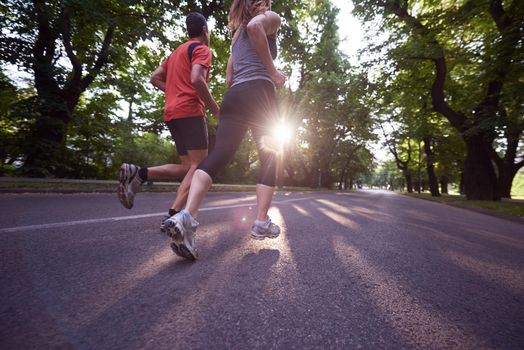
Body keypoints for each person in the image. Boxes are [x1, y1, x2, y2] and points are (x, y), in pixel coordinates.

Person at [164, 0, 287, 260]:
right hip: (259, 93)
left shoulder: (236, 35)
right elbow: (257, 28)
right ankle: (262, 221)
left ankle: (187, 216)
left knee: (218, 154)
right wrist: (273, 72)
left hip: (234, 96)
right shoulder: (270, 18)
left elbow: (230, 76)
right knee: (271, 154)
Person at [117, 12, 219, 230]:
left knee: (187, 167)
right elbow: (196, 79)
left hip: (171, 112)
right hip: (190, 111)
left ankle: (140, 173)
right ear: (204, 31)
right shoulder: (201, 49)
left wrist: (174, 92)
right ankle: (174, 214)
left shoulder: (175, 53)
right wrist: (216, 110)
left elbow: (154, 77)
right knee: (200, 166)